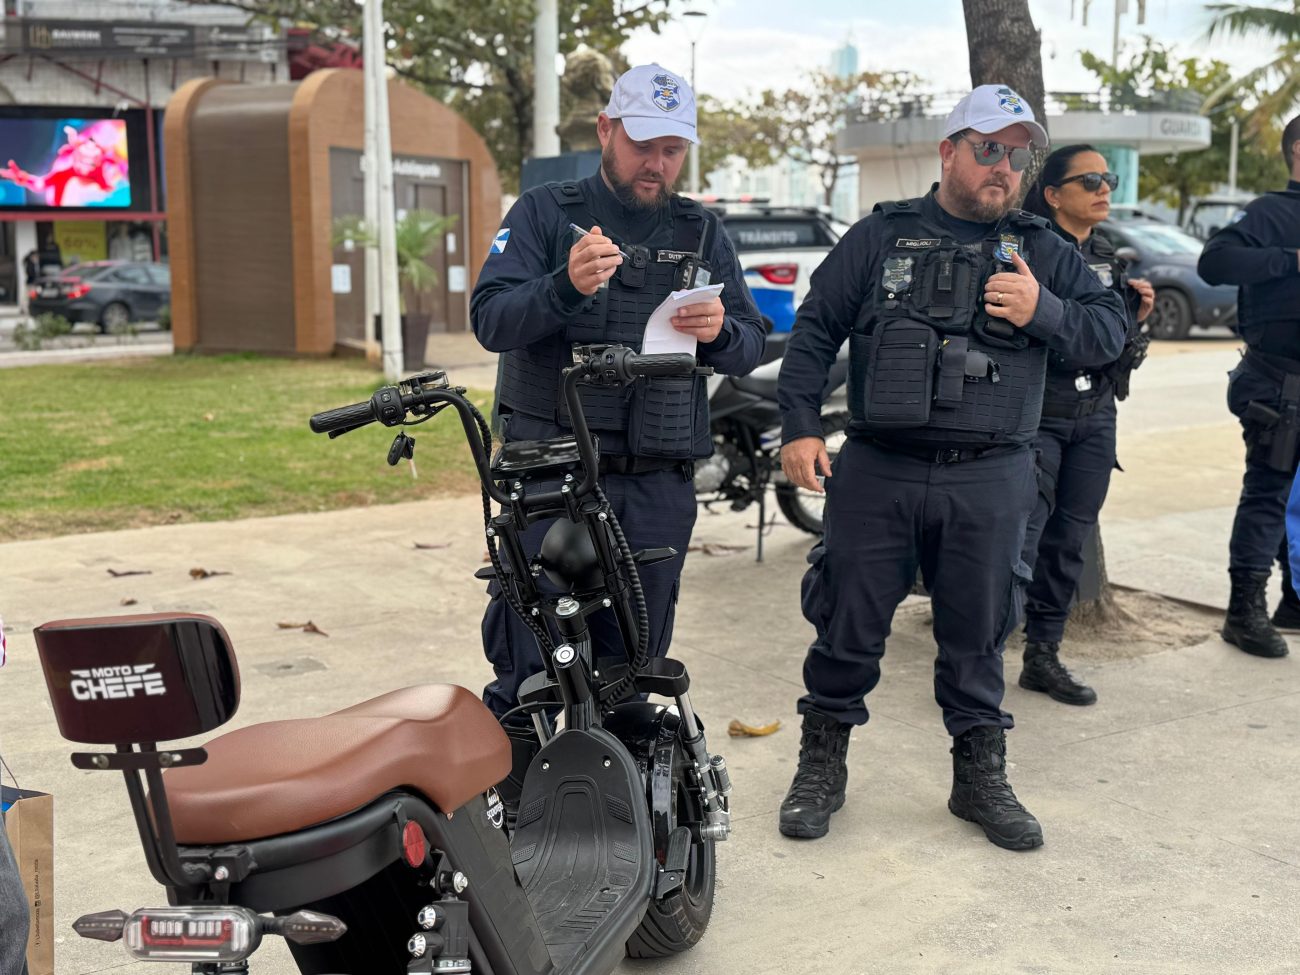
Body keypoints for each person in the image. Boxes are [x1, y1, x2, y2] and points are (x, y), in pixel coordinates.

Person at [775, 85, 1127, 850]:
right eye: (988, 148)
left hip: (992, 473)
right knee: (846, 625)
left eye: (1018, 154)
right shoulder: (881, 236)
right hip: (880, 468)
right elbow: (814, 332)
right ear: (948, 151)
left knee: (979, 632)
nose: (1004, 166)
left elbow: (1109, 333)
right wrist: (799, 427)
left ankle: (979, 777)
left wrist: (1044, 309)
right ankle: (821, 765)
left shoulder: (1041, 248)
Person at [470, 63, 765, 810]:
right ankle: (516, 806)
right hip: (549, 476)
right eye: (643, 145)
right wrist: (563, 285)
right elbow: (490, 318)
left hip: (654, 481)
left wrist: (721, 330)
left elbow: (751, 343)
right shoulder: (545, 212)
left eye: (673, 149)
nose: (657, 163)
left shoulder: (701, 229)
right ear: (606, 130)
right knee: (530, 660)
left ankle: (620, 815)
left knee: (632, 664)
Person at [1015, 145, 1154, 705]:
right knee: (1018, 541)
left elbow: (1115, 346)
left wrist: (1136, 320)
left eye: (1108, 179)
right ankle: (975, 656)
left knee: (1069, 541)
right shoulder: (1023, 252)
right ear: (1053, 195)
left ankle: (1042, 655)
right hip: (1037, 416)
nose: (1105, 190)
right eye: (1090, 180)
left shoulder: (1106, 255)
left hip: (1095, 415)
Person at [1199, 114, 1300, 659]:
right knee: (1268, 492)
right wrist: (1292, 260)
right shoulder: (1269, 212)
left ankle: (1294, 601)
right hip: (1278, 384)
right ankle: (1244, 612)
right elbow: (1214, 262)